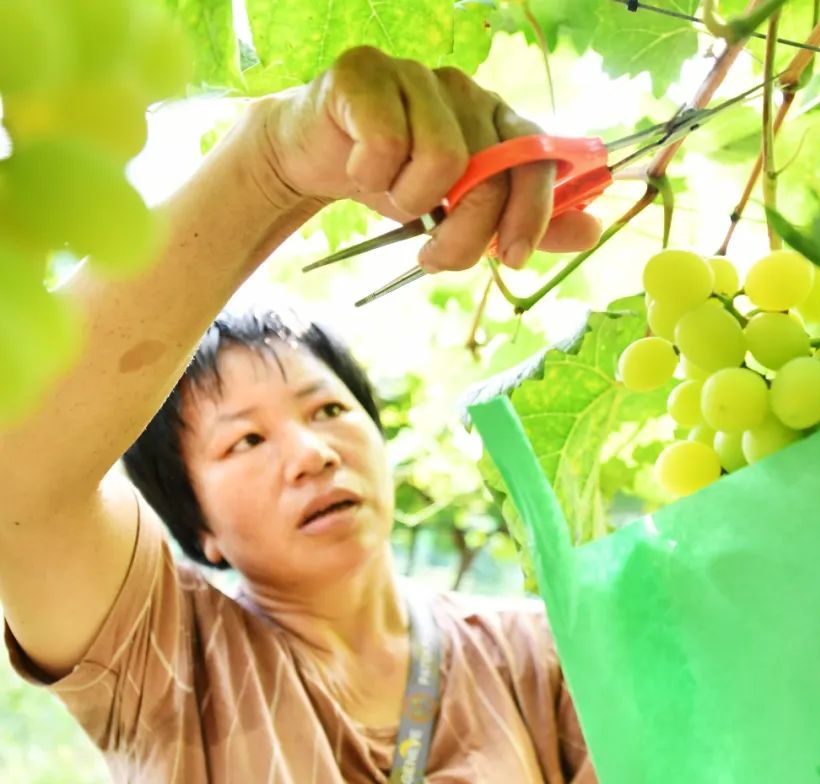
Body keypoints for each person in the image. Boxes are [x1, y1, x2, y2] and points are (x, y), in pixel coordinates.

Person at [0, 46, 602, 782]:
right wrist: (271, 167)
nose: (312, 453)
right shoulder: (169, 661)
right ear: (201, 528)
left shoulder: (539, 654)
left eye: (326, 408)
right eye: (245, 440)